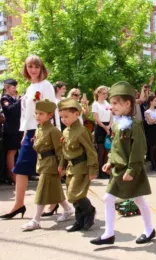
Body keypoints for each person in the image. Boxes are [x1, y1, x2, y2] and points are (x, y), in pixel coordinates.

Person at [90, 81, 155, 246]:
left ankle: (149, 230)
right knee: (108, 199)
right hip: (119, 170)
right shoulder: (119, 124)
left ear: (128, 104)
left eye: (115, 103)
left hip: (130, 170)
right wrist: (110, 161)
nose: (112, 107)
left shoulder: (135, 126)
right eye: (111, 103)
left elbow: (139, 149)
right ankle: (109, 234)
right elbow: (116, 146)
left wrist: (132, 170)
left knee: (139, 200)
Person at [0, 55, 60, 220]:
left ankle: (55, 203)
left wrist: (52, 133)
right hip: (30, 132)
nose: (33, 70)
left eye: (36, 66)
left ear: (42, 68)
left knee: (48, 169)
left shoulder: (45, 85)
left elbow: (52, 110)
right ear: (26, 69)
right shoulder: (30, 87)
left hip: (43, 131)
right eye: (30, 67)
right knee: (21, 168)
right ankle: (19, 204)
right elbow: (26, 114)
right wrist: (25, 133)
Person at [21, 100, 74, 231]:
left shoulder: (53, 131)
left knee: (42, 191)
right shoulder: (39, 128)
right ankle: (68, 209)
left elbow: (60, 151)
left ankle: (35, 220)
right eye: (36, 113)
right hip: (42, 163)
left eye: (41, 114)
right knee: (55, 189)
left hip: (51, 165)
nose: (37, 116)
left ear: (50, 115)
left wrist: (61, 166)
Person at [58, 98, 98, 232]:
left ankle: (90, 212)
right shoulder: (65, 131)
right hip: (70, 167)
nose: (64, 119)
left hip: (81, 167)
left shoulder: (82, 131)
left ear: (77, 114)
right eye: (62, 117)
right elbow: (64, 151)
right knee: (73, 196)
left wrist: (93, 169)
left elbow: (90, 151)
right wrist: (61, 165)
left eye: (66, 116)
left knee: (74, 194)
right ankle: (79, 221)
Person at [1, 79, 22, 185]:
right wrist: (19, 101)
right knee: (11, 152)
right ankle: (11, 175)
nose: (15, 89)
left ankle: (15, 173)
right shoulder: (5, 98)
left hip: (17, 128)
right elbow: (10, 111)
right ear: (7, 88)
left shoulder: (13, 98)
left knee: (16, 152)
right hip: (10, 129)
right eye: (13, 87)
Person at [92, 86, 112, 179]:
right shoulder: (95, 104)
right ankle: (100, 171)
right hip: (100, 128)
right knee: (101, 151)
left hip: (108, 126)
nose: (105, 95)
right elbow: (96, 118)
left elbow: (112, 115)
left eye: (106, 93)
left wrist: (109, 126)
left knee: (107, 150)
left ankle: (105, 170)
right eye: (103, 93)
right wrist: (105, 127)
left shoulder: (108, 103)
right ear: (98, 93)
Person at [144, 95, 156, 172]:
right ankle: (153, 165)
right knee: (152, 148)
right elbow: (150, 122)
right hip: (151, 130)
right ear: (150, 101)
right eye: (155, 100)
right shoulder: (147, 111)